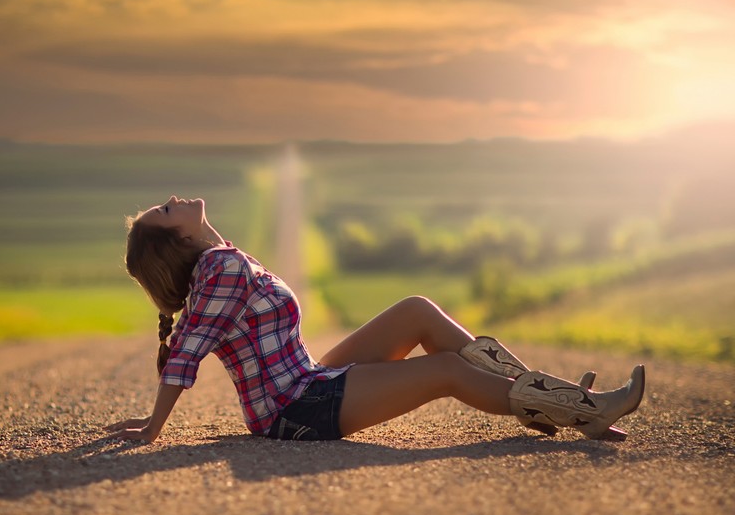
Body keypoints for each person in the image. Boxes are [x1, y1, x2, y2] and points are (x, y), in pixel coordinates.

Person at [106, 196, 645, 444]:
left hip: (306, 382)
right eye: (167, 210)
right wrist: (154, 428)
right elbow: (186, 350)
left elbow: (205, 305)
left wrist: (203, 232)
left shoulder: (223, 258)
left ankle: (542, 402)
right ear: (179, 238)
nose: (174, 200)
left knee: (415, 311)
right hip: (296, 407)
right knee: (446, 374)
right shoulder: (219, 267)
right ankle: (582, 409)